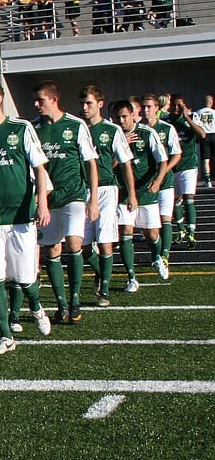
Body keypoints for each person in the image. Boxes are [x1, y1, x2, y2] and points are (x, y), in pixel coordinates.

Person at [0, 80, 53, 355]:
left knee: (24, 278)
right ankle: (5, 335)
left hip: (21, 215)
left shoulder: (21, 128)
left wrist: (42, 204)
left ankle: (37, 306)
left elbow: (39, 167)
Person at [33, 81, 99, 325]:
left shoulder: (75, 125)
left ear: (53, 99)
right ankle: (60, 303)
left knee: (73, 243)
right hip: (49, 198)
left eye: (40, 100)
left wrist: (93, 199)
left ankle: (74, 300)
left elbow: (91, 163)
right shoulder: (34, 128)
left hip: (74, 195)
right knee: (52, 249)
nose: (36, 104)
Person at [79, 86, 136, 307]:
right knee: (81, 246)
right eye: (82, 103)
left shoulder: (112, 130)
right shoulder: (77, 129)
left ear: (100, 104)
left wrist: (131, 194)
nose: (84, 108)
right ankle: (100, 271)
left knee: (105, 240)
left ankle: (104, 290)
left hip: (106, 190)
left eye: (89, 103)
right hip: (82, 190)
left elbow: (124, 163)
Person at [111, 100, 169, 294]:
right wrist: (121, 148)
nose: (121, 121)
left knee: (151, 234)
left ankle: (157, 257)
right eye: (117, 117)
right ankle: (132, 277)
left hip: (146, 191)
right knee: (126, 232)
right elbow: (106, 166)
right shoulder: (112, 135)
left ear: (132, 115)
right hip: (123, 193)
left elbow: (162, 160)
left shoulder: (147, 133)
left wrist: (158, 181)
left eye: (124, 116)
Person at [143, 94, 181, 274]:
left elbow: (176, 154)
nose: (146, 110)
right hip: (144, 184)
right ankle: (156, 253)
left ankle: (164, 256)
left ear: (157, 108)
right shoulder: (139, 130)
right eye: (143, 107)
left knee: (166, 218)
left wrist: (163, 172)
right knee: (149, 231)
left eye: (149, 107)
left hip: (165, 182)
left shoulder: (167, 128)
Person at [167, 94, 206, 248]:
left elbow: (202, 134)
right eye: (174, 105)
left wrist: (187, 118)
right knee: (175, 200)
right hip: (173, 166)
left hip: (189, 165)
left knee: (189, 197)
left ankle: (191, 231)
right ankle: (181, 229)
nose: (176, 109)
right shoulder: (167, 121)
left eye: (180, 106)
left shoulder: (191, 119)